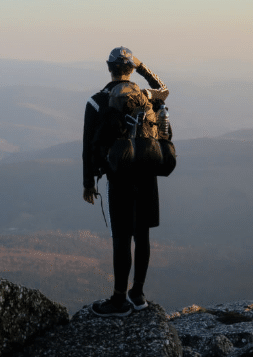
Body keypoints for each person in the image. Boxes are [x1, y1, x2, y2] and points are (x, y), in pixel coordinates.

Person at [82, 46, 170, 317]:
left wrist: (88, 183)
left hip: (119, 176)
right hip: (146, 171)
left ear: (109, 68)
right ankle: (138, 294)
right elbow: (164, 89)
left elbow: (87, 147)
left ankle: (119, 300)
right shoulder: (146, 96)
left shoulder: (97, 101)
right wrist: (142, 65)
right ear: (131, 69)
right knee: (142, 235)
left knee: (122, 237)